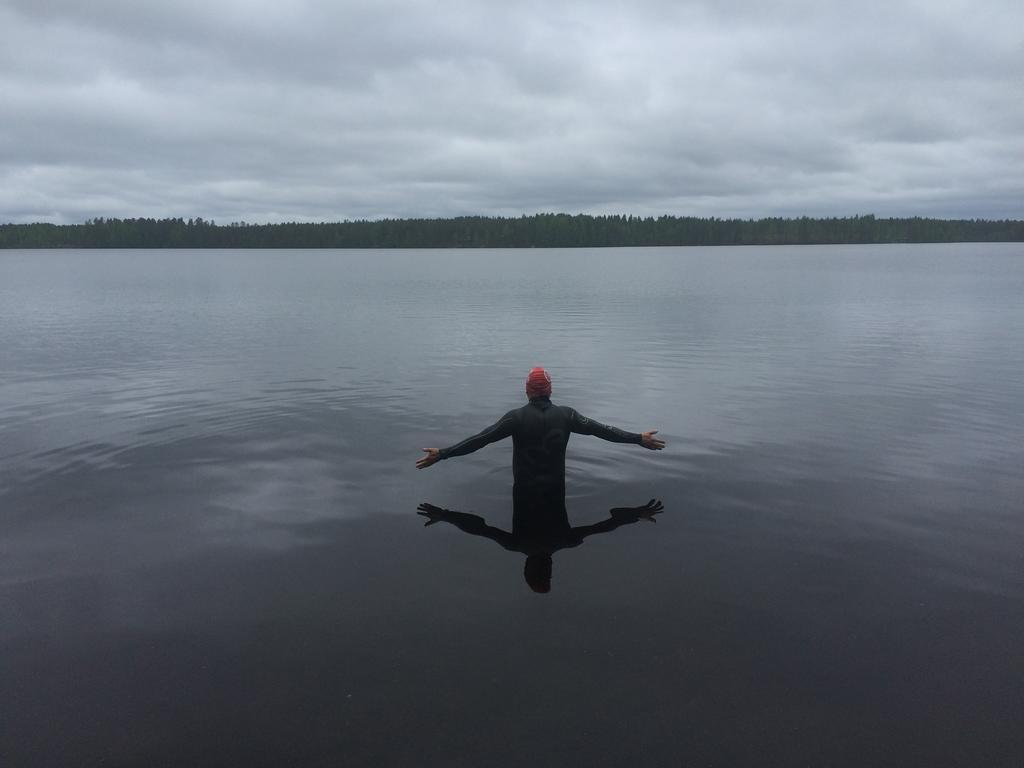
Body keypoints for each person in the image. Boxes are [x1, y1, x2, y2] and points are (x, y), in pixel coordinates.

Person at [415, 367, 665, 495]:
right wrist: (638, 439)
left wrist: (444, 453)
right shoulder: (567, 416)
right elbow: (603, 431)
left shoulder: (515, 418)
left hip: (524, 492)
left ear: (527, 390)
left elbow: (481, 440)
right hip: (556, 490)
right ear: (550, 390)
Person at [416, 496, 665, 593]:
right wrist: (446, 515)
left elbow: (477, 527)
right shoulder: (516, 544)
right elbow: (479, 528)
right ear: (525, 567)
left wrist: (446, 515)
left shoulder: (566, 541)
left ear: (551, 567)